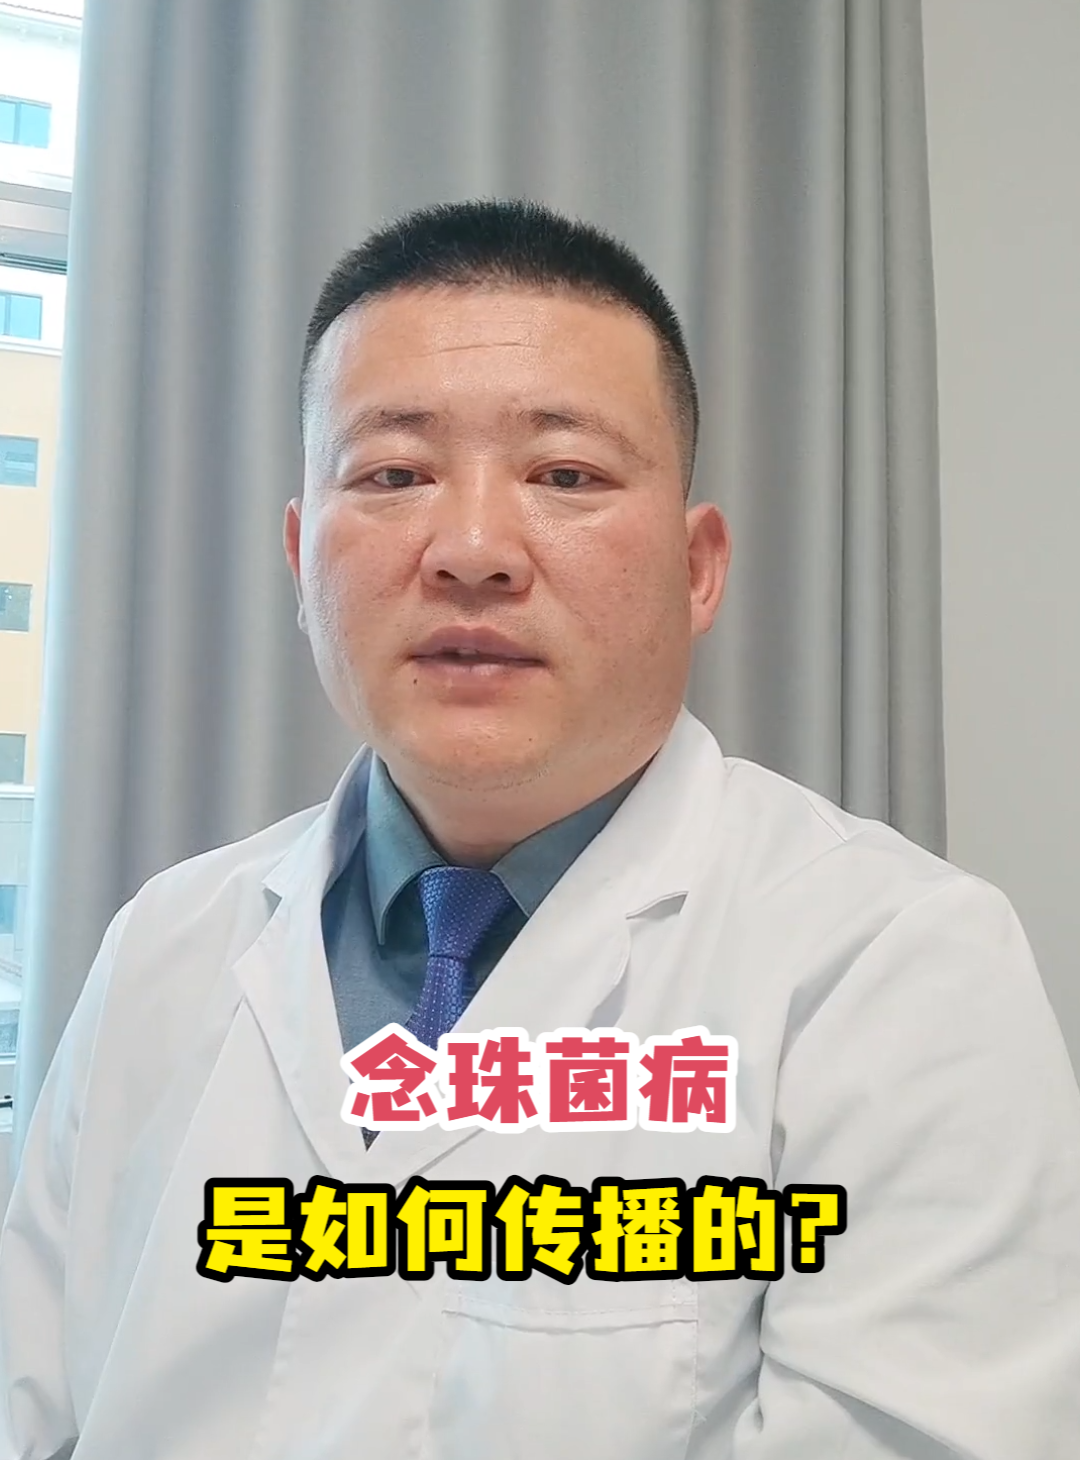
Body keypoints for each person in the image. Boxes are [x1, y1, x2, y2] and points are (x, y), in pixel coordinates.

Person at [1, 198, 1078, 1460]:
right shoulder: (165, 944)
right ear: (301, 557)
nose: (471, 550)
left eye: (566, 475)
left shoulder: (895, 967)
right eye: (393, 474)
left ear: (697, 567)